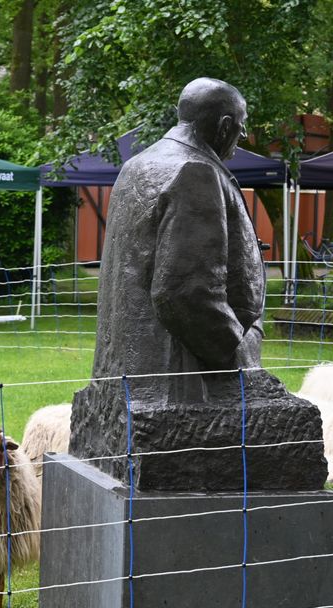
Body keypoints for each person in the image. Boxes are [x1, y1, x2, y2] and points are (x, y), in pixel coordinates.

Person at [92, 77, 265, 403]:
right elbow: (187, 290)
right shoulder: (194, 171)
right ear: (225, 125)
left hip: (129, 374)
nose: (242, 137)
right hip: (181, 379)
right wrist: (234, 349)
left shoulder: (136, 165)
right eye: (241, 127)